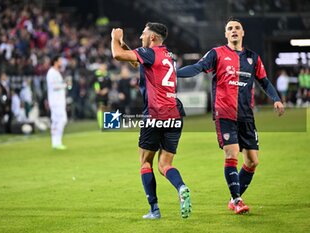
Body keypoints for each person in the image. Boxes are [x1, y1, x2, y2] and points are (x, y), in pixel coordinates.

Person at [177, 18, 285, 214]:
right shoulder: (216, 54)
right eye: (230, 28)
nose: (233, 30)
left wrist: (276, 98)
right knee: (232, 153)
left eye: (237, 28)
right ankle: (236, 200)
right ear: (226, 34)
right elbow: (197, 68)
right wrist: (173, 73)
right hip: (224, 113)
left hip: (246, 116)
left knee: (252, 161)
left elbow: (265, 81)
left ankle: (234, 197)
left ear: (242, 33)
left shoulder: (253, 57)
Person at [111, 22, 192, 219]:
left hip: (155, 114)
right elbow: (137, 61)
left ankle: (154, 210)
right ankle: (181, 187)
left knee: (145, 163)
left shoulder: (149, 53)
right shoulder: (168, 56)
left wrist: (114, 38)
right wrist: (125, 44)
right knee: (165, 165)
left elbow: (117, 55)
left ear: (153, 38)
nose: (140, 37)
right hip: (174, 113)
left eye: (143, 34)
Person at [46, 55, 68, 150]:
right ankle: (57, 142)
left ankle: (55, 142)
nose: (61, 62)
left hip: (59, 101)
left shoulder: (56, 72)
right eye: (60, 61)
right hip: (56, 101)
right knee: (62, 120)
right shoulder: (51, 73)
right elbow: (54, 86)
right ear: (55, 62)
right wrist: (64, 85)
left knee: (56, 121)